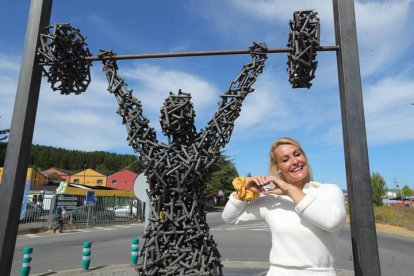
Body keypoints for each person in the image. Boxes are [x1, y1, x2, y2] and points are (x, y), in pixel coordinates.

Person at [222, 137, 346, 276]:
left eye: (297, 154)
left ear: (304, 157)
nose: (294, 162)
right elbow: (229, 218)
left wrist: (289, 189)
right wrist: (244, 192)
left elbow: (331, 222)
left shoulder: (327, 190)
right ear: (278, 168)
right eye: (285, 160)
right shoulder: (272, 199)